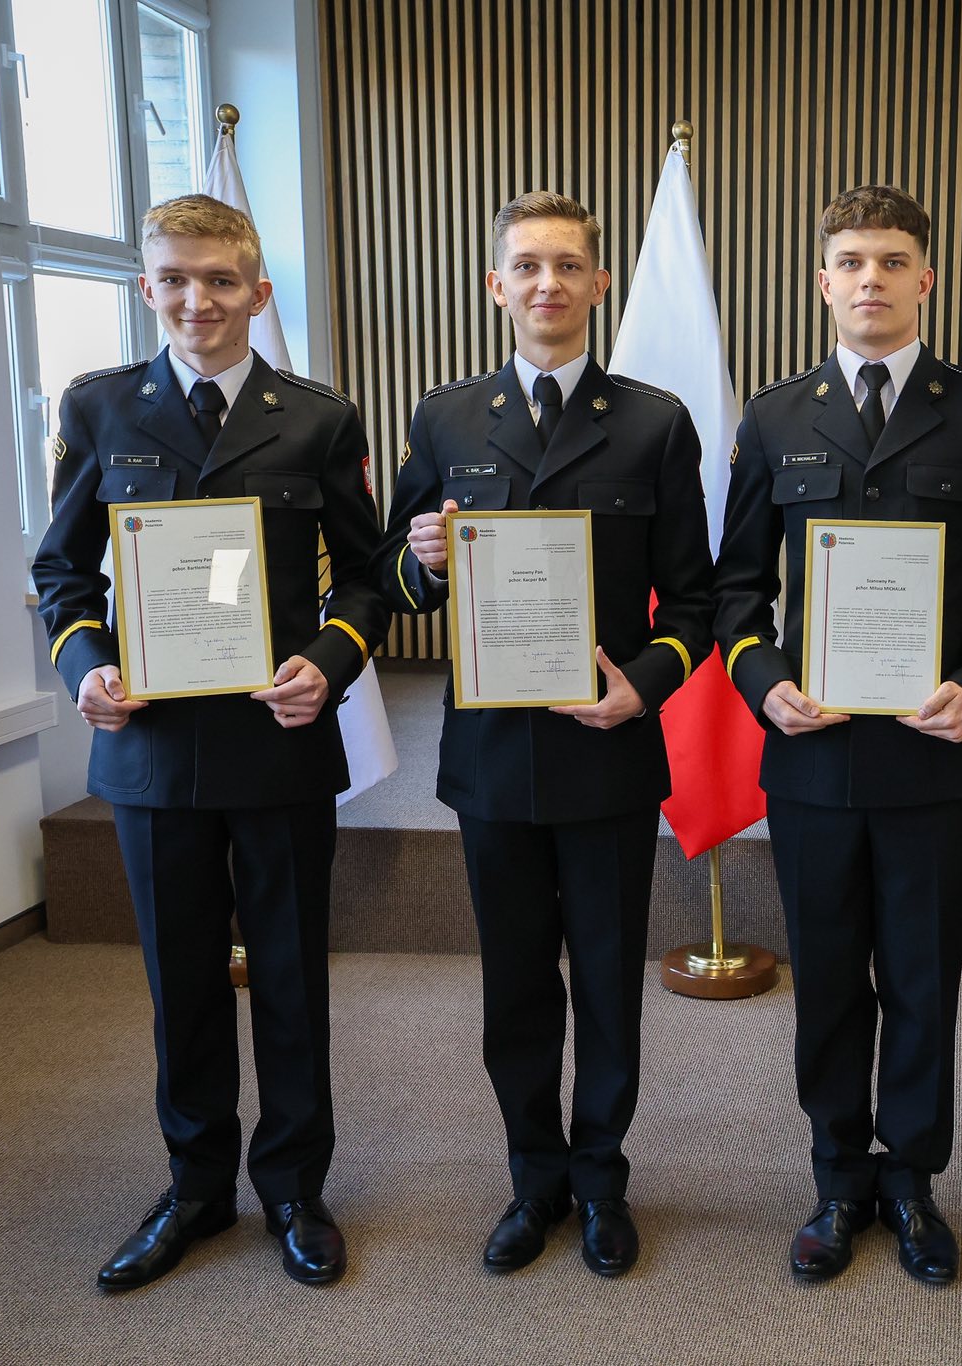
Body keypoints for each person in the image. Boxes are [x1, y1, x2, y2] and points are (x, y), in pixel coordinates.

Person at [33, 194, 388, 1290]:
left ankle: (292, 1187)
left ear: (257, 292)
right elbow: (61, 571)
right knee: (180, 981)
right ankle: (193, 1189)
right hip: (148, 754)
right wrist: (84, 664)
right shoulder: (100, 409)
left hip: (276, 744)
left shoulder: (320, 418)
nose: (199, 301)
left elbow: (371, 578)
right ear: (148, 289)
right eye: (176, 280)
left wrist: (327, 664)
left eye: (221, 281)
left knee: (287, 975)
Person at [370, 191, 713, 1277]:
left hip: (607, 750)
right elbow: (395, 582)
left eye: (568, 265)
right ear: (495, 286)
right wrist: (421, 560)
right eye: (526, 265)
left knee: (608, 981)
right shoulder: (444, 419)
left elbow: (697, 605)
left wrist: (642, 686)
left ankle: (602, 1182)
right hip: (491, 760)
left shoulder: (655, 421)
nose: (548, 284)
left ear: (599, 284)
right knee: (516, 985)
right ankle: (533, 1181)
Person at [712, 184, 962, 1288]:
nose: (869, 280)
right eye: (849, 261)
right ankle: (837, 1174)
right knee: (831, 974)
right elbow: (736, 590)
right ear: (820, 281)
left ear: (925, 278)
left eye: (892, 261)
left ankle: (913, 1178)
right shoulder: (774, 417)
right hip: (810, 751)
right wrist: (764, 685)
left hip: (932, 752)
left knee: (922, 974)